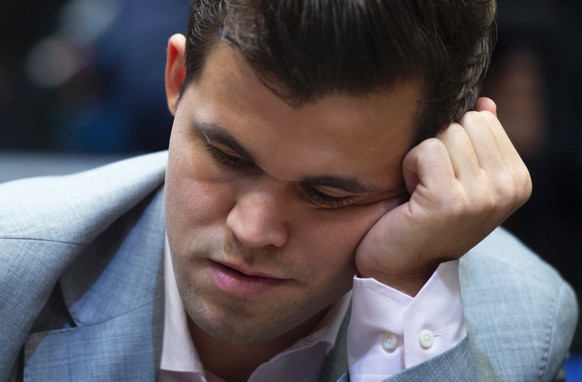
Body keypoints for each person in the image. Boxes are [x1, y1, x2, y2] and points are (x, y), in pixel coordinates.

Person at [0, 0, 577, 381]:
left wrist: (404, 297)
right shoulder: (12, 268)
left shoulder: (525, 324)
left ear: (432, 168)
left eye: (327, 193)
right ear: (176, 78)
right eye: (227, 156)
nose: (252, 231)